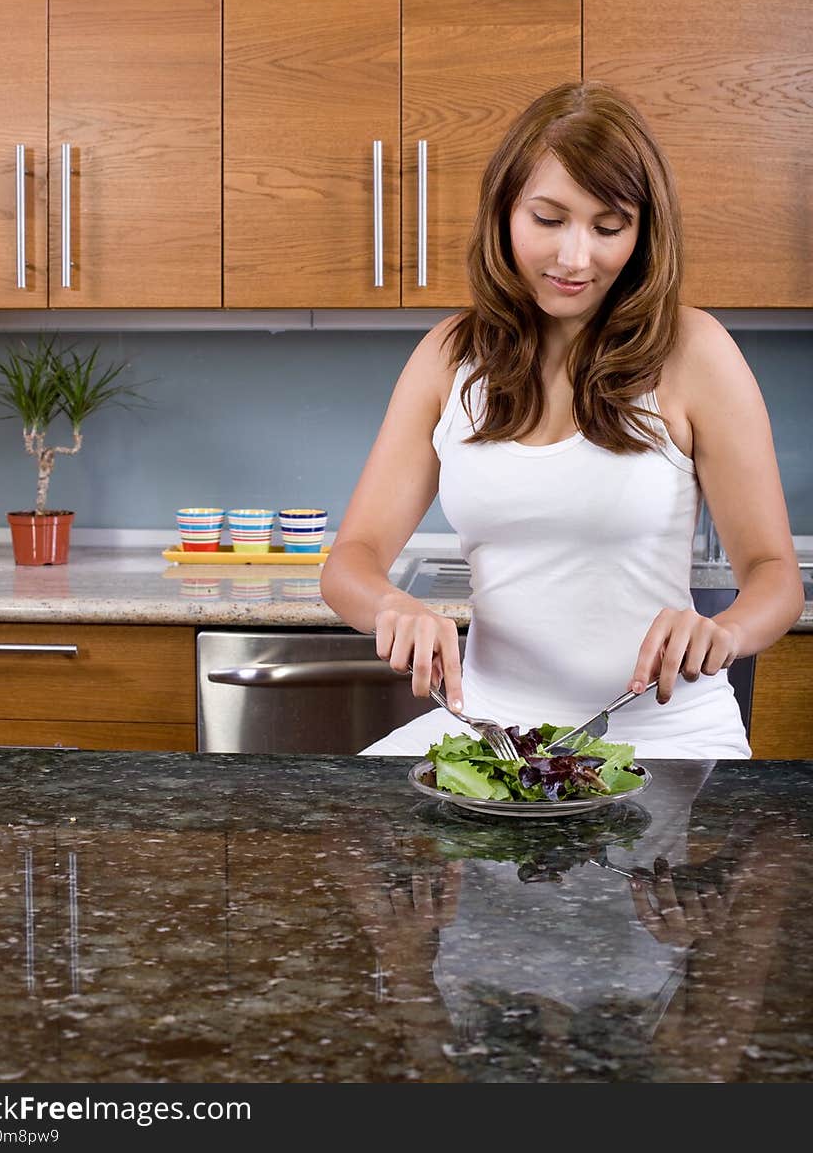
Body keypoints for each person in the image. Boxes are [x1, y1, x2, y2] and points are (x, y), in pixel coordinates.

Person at [319, 80, 804, 758]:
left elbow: (774, 572)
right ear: (504, 213)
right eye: (548, 220)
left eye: (609, 228)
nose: (576, 258)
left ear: (642, 232)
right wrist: (391, 606)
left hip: (666, 737)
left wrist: (724, 632)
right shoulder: (446, 357)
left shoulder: (695, 354)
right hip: (492, 735)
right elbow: (351, 560)